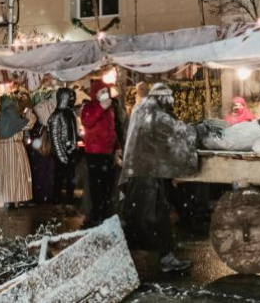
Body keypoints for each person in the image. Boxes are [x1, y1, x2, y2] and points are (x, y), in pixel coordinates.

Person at [120, 83, 198, 273]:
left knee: (136, 214)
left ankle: (124, 256)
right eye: (169, 98)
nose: (171, 102)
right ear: (163, 98)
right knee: (156, 215)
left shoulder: (139, 109)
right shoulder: (158, 116)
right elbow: (180, 133)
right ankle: (166, 258)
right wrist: (196, 130)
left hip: (135, 170)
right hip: (148, 173)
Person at [80, 80, 119, 228]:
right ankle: (96, 214)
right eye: (101, 91)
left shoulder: (110, 108)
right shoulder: (90, 107)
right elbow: (87, 122)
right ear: (95, 93)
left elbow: (112, 129)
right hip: (95, 153)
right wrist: (100, 108)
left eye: (106, 91)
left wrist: (117, 146)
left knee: (106, 185)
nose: (105, 94)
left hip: (107, 153)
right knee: (96, 186)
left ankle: (102, 213)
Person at [0, 96, 34, 208]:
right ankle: (21, 198)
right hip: (15, 148)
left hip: (3, 150)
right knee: (19, 174)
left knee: (6, 175)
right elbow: (30, 123)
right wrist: (28, 110)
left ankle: (8, 200)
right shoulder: (14, 117)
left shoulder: (0, 118)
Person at [19, 92, 54, 204]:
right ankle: (46, 196)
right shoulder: (50, 110)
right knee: (45, 172)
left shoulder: (34, 111)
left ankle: (39, 195)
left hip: (36, 147)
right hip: (45, 146)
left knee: (38, 172)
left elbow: (30, 128)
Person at [48, 88, 79, 205]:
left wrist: (74, 146)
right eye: (70, 97)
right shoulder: (56, 116)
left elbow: (74, 133)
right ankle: (57, 201)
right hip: (61, 153)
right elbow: (55, 137)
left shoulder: (71, 114)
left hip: (71, 152)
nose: (73, 100)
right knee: (59, 179)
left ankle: (69, 200)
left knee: (70, 179)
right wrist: (61, 155)